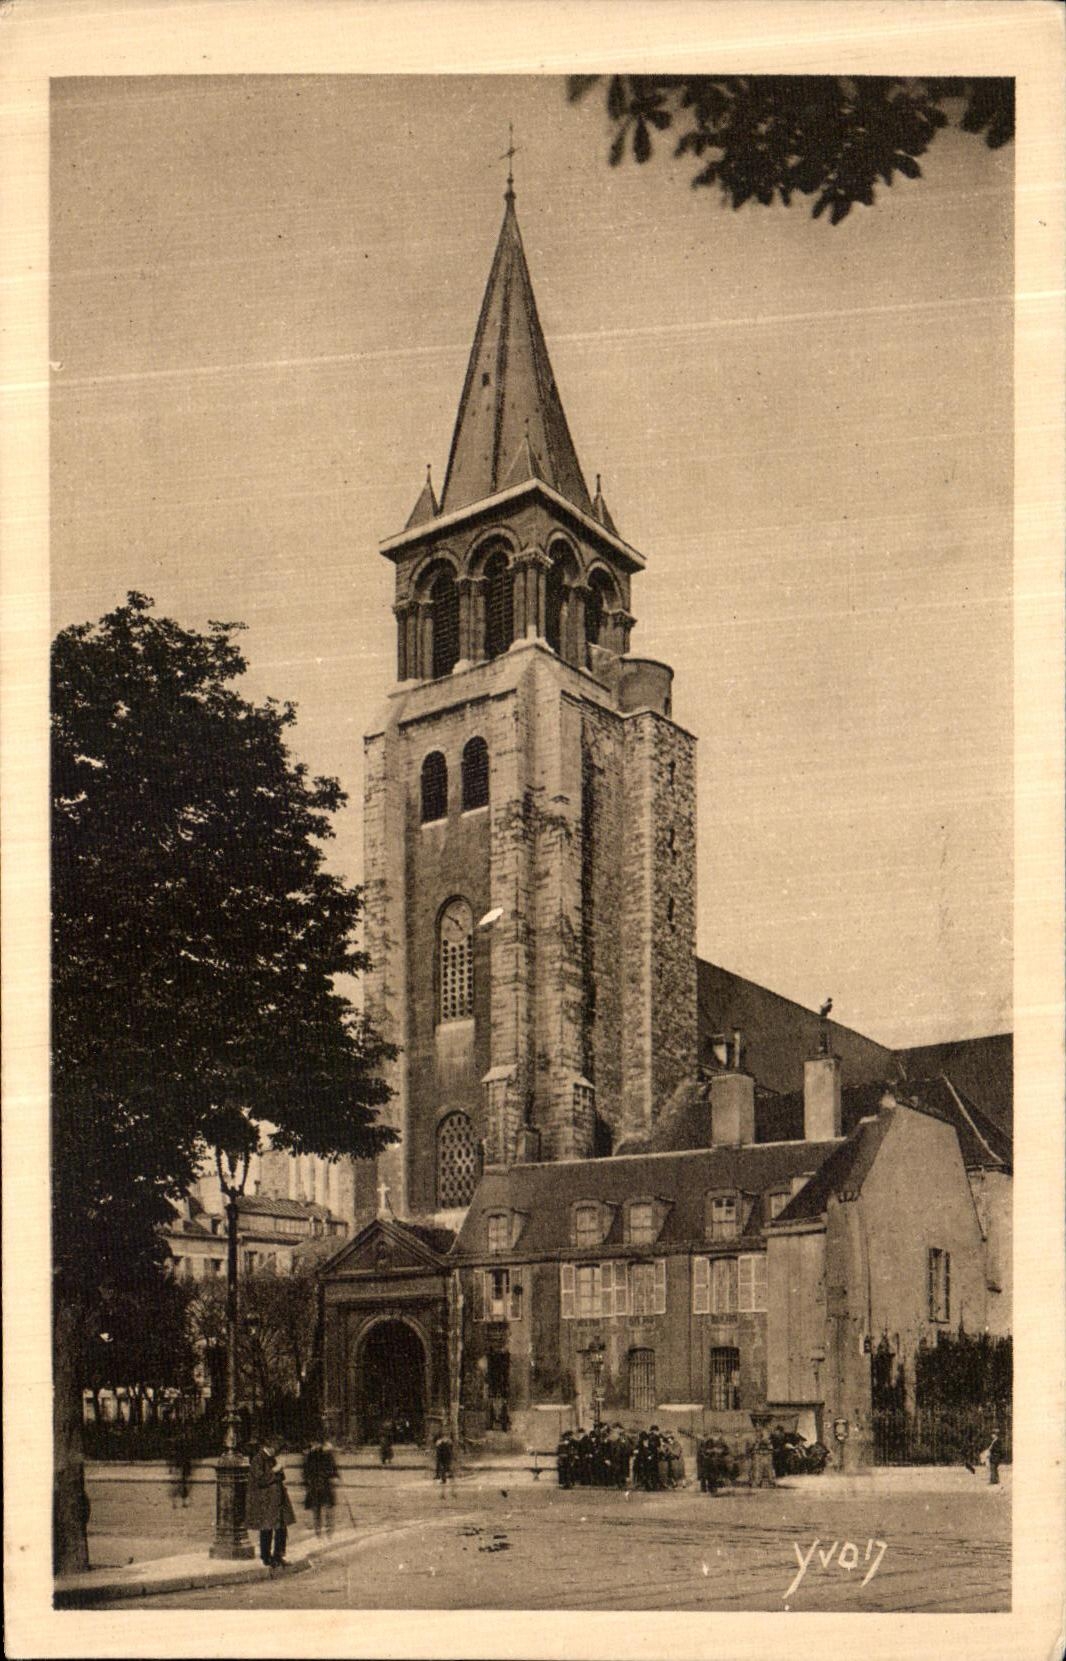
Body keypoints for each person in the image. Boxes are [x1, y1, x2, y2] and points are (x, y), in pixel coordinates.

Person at [246, 1440, 295, 1571]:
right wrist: (277, 1469)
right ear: (269, 1447)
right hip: (266, 1501)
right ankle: (266, 1557)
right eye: (276, 1448)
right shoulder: (258, 1459)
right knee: (267, 1528)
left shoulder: (270, 1458)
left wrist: (279, 1468)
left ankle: (278, 1556)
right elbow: (260, 1479)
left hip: (277, 1499)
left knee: (281, 1528)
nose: (277, 1452)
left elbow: (280, 1477)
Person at [303, 1438, 339, 1537]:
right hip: (315, 1486)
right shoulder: (310, 1455)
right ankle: (318, 1531)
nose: (315, 1445)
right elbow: (306, 1471)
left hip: (325, 1485)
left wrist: (334, 1476)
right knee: (317, 1509)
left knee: (327, 1508)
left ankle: (328, 1531)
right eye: (314, 1443)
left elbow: (333, 1468)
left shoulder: (326, 1454)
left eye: (316, 1443)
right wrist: (307, 1483)